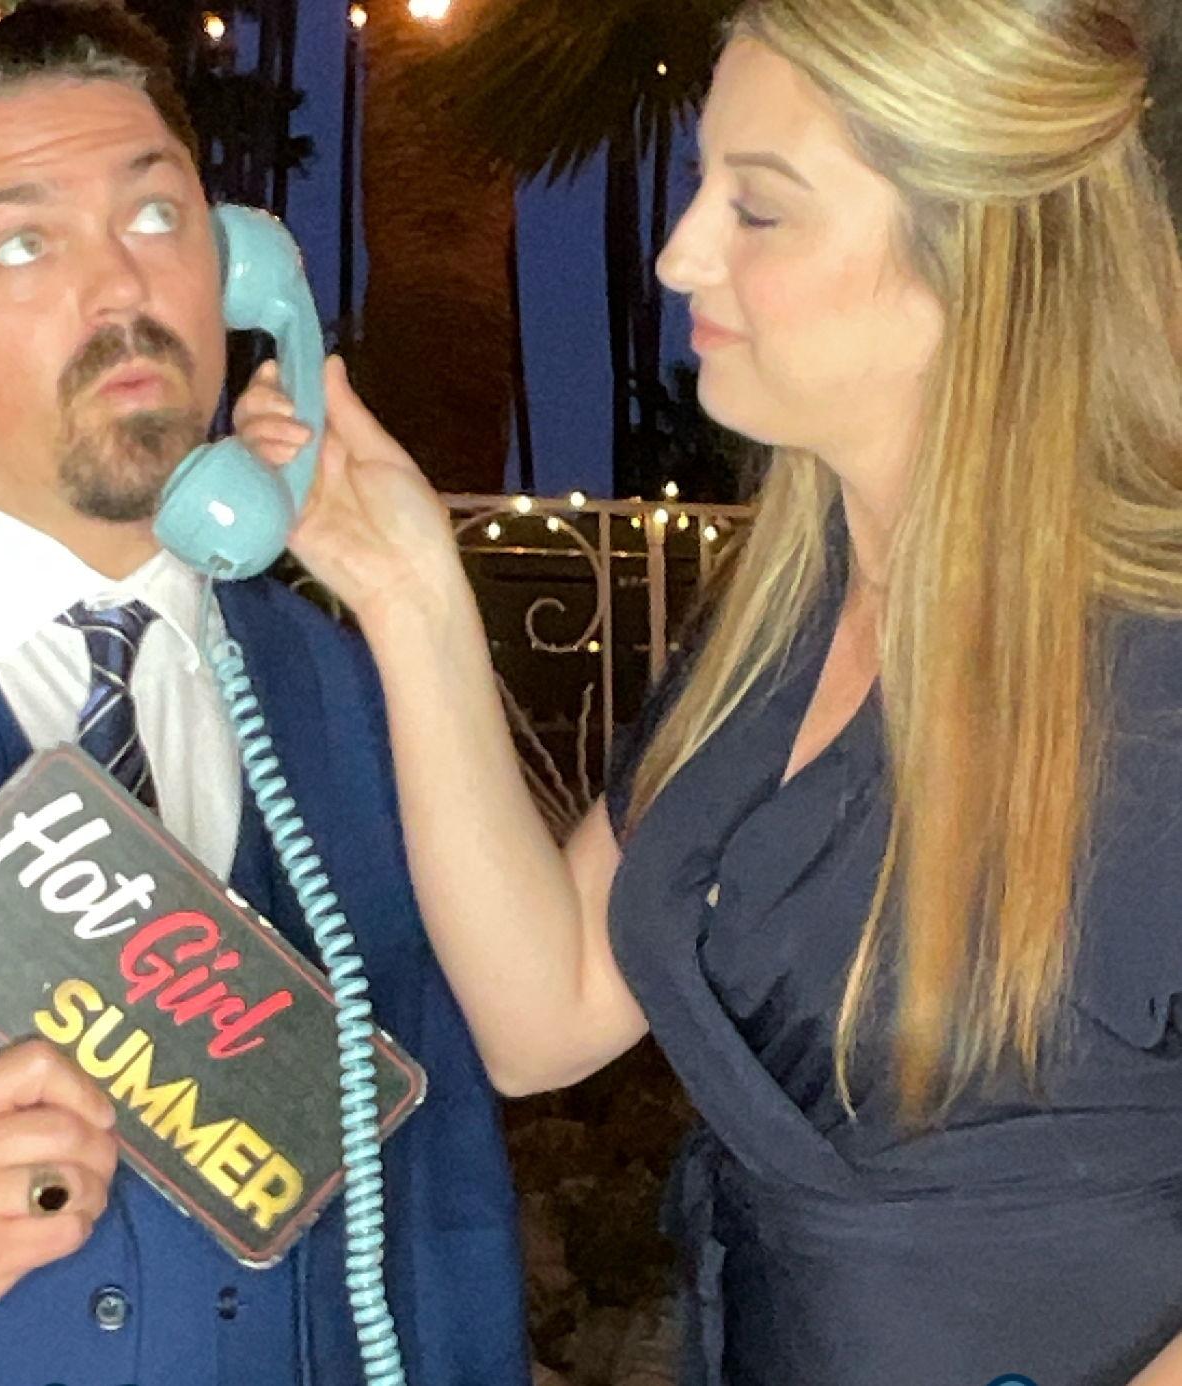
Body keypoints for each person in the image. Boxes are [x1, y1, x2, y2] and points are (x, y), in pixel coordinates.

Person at [242, 0, 1182, 1381]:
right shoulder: (781, 618)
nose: (681, 253)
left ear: (971, 252)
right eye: (701, 190)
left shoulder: (1155, 658)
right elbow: (548, 1010)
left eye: (760, 209)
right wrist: (408, 592)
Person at [0, 3, 530, 1384]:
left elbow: (441, 1200)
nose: (123, 288)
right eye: (25, 243)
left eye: (158, 216)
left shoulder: (351, 686)